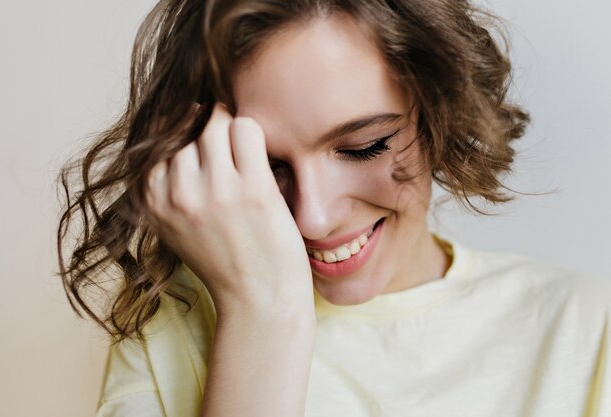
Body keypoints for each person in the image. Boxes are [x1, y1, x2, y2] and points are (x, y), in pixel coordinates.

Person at [57, 0, 611, 416]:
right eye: (265, 164)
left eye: (363, 146)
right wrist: (264, 314)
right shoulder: (166, 335)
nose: (312, 218)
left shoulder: (586, 330)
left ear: (439, 108)